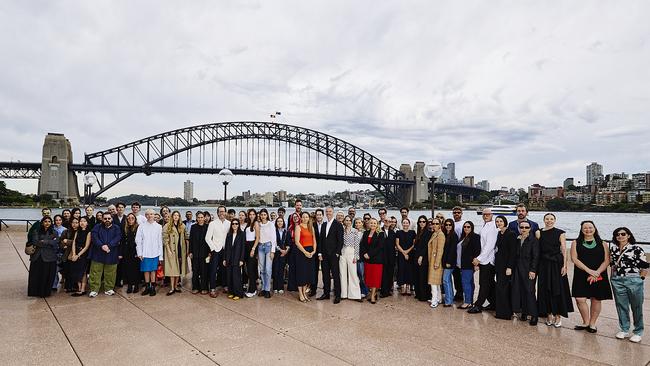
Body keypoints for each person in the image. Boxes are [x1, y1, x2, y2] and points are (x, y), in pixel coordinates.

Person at [571, 221, 612, 333]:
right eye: (585, 228)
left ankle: (592, 324)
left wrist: (596, 273)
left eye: (590, 227)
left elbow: (607, 260)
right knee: (580, 299)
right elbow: (574, 259)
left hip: (599, 274)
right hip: (581, 273)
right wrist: (589, 271)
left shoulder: (602, 243)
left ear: (594, 228)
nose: (588, 230)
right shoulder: (576, 242)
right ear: (581, 229)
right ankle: (585, 322)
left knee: (596, 299)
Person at [609, 227, 648, 343]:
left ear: (628, 235)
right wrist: (613, 278)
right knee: (621, 306)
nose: (620, 236)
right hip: (617, 280)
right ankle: (624, 329)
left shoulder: (636, 248)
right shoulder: (614, 249)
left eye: (623, 234)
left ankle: (638, 331)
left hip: (633, 280)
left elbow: (645, 266)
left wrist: (640, 279)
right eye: (617, 234)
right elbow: (612, 265)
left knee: (637, 306)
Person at [536, 213, 573, 327]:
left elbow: (563, 249)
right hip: (543, 264)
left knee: (558, 289)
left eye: (551, 219)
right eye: (547, 219)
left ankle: (558, 316)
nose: (549, 221)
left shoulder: (560, 233)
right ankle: (549, 315)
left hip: (556, 264)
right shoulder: (538, 232)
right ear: (544, 220)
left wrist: (565, 265)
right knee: (544, 288)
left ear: (555, 220)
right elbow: (536, 248)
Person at [468, 208, 498, 314]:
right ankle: (494, 303)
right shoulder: (485, 225)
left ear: (492, 215)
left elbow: (489, 246)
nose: (485, 216)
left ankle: (478, 305)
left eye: (488, 214)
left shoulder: (493, 227)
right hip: (484, 260)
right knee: (489, 283)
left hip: (489, 261)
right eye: (484, 214)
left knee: (484, 283)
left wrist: (479, 259)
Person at [511, 220, 540, 325]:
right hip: (517, 269)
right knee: (519, 290)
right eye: (522, 227)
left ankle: (534, 315)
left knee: (529, 291)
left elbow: (536, 257)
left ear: (530, 228)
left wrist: (533, 270)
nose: (524, 229)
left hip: (528, 269)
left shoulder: (534, 240)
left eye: (526, 227)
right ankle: (524, 311)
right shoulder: (517, 239)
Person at [88, 212, 121, 298]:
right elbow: (94, 237)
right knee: (95, 272)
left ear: (112, 219)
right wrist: (102, 246)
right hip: (97, 253)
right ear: (102, 219)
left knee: (111, 273)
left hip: (111, 253)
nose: (107, 220)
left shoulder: (116, 228)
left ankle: (109, 288)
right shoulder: (97, 227)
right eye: (105, 218)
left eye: (109, 218)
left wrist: (108, 245)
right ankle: (94, 289)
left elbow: (118, 237)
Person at [27, 216, 59, 297]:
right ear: (42, 222)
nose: (47, 223)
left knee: (46, 275)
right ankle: (34, 292)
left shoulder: (54, 232)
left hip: (49, 257)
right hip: (37, 256)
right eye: (45, 221)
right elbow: (35, 242)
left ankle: (44, 292)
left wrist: (44, 241)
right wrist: (49, 242)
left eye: (49, 221)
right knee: (36, 275)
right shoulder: (36, 231)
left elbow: (56, 242)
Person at [318, 207, 344, 303]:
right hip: (324, 255)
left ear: (333, 213)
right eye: (327, 212)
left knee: (336, 275)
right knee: (325, 275)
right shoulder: (324, 225)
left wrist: (337, 253)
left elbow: (340, 240)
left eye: (330, 212)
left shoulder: (338, 225)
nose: (328, 213)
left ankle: (338, 295)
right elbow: (320, 240)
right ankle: (326, 293)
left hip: (334, 255)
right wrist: (319, 253)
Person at [494, 216, 517, 320]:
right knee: (499, 288)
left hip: (506, 266)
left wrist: (509, 267)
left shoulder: (511, 234)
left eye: (501, 221)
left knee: (505, 288)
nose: (499, 223)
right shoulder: (499, 233)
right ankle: (500, 311)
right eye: (497, 221)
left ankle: (507, 313)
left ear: (505, 222)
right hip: (499, 265)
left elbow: (513, 252)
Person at [136, 209, 163, 296]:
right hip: (145, 252)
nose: (150, 216)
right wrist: (139, 252)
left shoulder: (159, 227)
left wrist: (161, 256)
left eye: (151, 214)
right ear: (145, 215)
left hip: (155, 252)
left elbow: (160, 241)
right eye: (147, 214)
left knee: (153, 270)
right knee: (146, 270)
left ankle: (153, 287)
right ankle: (147, 287)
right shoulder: (141, 226)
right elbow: (138, 240)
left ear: (154, 215)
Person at [205, 206, 230, 298]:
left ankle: (225, 286)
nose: (222, 213)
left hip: (226, 250)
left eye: (223, 211)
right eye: (220, 211)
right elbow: (207, 238)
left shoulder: (229, 223)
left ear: (225, 212)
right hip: (215, 250)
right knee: (213, 270)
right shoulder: (213, 223)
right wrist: (213, 249)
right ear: (217, 213)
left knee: (225, 269)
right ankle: (212, 289)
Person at [162, 211, 187, 296]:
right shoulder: (167, 226)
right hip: (172, 250)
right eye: (174, 215)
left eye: (177, 215)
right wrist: (168, 250)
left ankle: (176, 286)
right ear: (172, 216)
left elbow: (186, 237)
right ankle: (172, 288)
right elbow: (165, 239)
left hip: (180, 250)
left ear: (179, 217)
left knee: (178, 269)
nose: (176, 217)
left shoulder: (182, 226)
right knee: (172, 270)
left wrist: (187, 250)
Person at [457, 221, 481, 309]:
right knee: (469, 282)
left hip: (469, 264)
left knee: (466, 282)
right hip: (462, 264)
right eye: (465, 227)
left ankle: (467, 302)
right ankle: (470, 301)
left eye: (468, 227)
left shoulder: (475, 237)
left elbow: (477, 251)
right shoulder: (463, 237)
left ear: (472, 228)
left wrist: (476, 264)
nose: (466, 228)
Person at [295, 212, 317, 302]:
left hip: (311, 252)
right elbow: (297, 242)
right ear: (301, 218)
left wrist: (314, 251)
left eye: (306, 217)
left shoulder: (311, 227)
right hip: (301, 252)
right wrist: (305, 252)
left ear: (309, 218)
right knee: (301, 273)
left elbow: (314, 240)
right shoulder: (298, 227)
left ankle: (304, 292)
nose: (305, 218)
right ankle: (300, 293)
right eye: (303, 217)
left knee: (308, 274)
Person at [361, 218, 384, 304]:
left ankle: (373, 295)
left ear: (377, 224)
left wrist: (369, 254)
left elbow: (379, 247)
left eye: (375, 223)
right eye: (371, 223)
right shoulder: (366, 233)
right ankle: (372, 294)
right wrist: (364, 253)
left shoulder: (380, 234)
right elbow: (362, 244)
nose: (373, 225)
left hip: (376, 260)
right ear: (369, 224)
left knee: (375, 278)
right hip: (367, 260)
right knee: (369, 278)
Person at [340, 216, 362, 301]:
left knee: (353, 274)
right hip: (343, 252)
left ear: (351, 222)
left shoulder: (355, 231)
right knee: (342, 273)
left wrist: (356, 256)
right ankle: (343, 294)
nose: (348, 222)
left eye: (349, 220)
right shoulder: (341, 231)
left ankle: (355, 295)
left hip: (351, 252)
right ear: (344, 222)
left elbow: (357, 244)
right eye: (346, 220)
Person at [257, 208, 277, 298]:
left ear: (267, 215)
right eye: (261, 215)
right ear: (260, 216)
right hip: (260, 247)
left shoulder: (271, 224)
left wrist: (273, 251)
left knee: (268, 269)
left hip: (268, 247)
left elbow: (274, 238)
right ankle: (263, 288)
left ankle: (268, 289)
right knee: (262, 270)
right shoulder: (258, 225)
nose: (263, 216)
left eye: (265, 214)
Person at [223, 219, 245, 300]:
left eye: (236, 223)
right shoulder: (229, 234)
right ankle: (231, 292)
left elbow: (243, 248)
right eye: (233, 224)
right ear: (231, 225)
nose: (234, 225)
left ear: (238, 225)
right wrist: (224, 259)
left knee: (236, 277)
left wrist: (241, 260)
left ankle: (238, 293)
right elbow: (226, 248)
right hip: (229, 258)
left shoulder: (242, 234)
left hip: (237, 258)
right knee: (229, 276)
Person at [189, 212, 210, 294]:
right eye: (199, 217)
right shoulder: (193, 227)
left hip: (205, 252)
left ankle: (204, 288)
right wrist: (190, 251)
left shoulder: (208, 227)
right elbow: (191, 240)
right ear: (196, 218)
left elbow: (210, 240)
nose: (200, 219)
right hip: (195, 253)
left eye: (202, 217)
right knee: (195, 271)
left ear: (204, 218)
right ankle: (195, 287)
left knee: (204, 271)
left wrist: (209, 252)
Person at [427, 218, 445, 308]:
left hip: (436, 260)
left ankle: (434, 300)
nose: (434, 225)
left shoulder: (441, 235)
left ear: (440, 224)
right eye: (433, 223)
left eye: (437, 223)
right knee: (436, 281)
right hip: (432, 259)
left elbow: (440, 250)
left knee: (433, 282)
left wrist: (437, 262)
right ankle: (438, 298)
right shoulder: (434, 233)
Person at [413, 215, 432, 302]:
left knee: (423, 277)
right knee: (417, 276)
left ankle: (424, 295)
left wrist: (421, 256)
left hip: (423, 257)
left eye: (423, 221)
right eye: (420, 222)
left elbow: (426, 246)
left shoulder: (428, 232)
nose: (422, 223)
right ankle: (419, 294)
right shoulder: (419, 232)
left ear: (426, 223)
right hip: (416, 256)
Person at [121, 213, 141, 294]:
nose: (130, 219)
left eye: (132, 218)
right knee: (127, 269)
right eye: (129, 218)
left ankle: (136, 285)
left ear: (135, 219)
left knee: (136, 269)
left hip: (135, 251)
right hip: (126, 251)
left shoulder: (138, 227)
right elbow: (122, 241)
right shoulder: (124, 228)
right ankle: (129, 285)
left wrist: (139, 252)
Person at [441, 219, 459, 307]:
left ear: (452, 226)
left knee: (445, 280)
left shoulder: (453, 236)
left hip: (450, 262)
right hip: (444, 261)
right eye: (446, 224)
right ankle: (450, 299)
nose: (448, 226)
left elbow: (452, 250)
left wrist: (448, 262)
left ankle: (448, 301)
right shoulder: (445, 234)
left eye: (450, 225)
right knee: (448, 280)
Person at [242, 209, 260, 297]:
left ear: (255, 215)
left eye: (253, 214)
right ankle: (251, 288)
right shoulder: (248, 223)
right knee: (247, 269)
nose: (252, 216)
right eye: (250, 214)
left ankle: (252, 290)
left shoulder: (256, 223)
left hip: (252, 246)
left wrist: (253, 249)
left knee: (251, 269)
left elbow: (257, 237)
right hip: (246, 246)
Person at [396, 218, 415, 296]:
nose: (405, 224)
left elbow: (414, 244)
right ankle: (403, 286)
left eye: (407, 223)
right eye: (404, 223)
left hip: (410, 254)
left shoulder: (413, 232)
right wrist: (404, 253)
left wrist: (407, 252)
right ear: (402, 224)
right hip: (401, 254)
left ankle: (408, 286)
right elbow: (397, 244)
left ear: (409, 224)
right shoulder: (398, 232)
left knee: (409, 270)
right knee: (401, 269)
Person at [59, 218, 78, 293]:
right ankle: (68, 286)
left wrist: (68, 242)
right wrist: (64, 243)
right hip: (66, 254)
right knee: (67, 271)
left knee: (75, 271)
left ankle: (75, 286)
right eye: (73, 222)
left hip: (76, 254)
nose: (74, 224)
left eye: (76, 222)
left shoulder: (81, 232)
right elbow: (61, 242)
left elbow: (78, 243)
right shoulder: (66, 231)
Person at [380, 217, 397, 298]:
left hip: (391, 257)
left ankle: (388, 290)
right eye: (386, 221)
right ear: (383, 221)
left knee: (390, 274)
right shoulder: (379, 231)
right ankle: (383, 291)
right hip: (382, 256)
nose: (387, 222)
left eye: (389, 221)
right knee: (383, 274)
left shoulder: (393, 232)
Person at [272, 217, 290, 294]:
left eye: (281, 221)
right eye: (278, 221)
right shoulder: (273, 231)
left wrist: (286, 251)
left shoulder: (286, 232)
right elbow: (274, 242)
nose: (280, 223)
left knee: (281, 270)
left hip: (284, 254)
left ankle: (281, 287)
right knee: (275, 270)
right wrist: (280, 250)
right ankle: (275, 287)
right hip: (276, 253)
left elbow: (289, 243)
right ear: (276, 223)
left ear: (283, 222)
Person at [451, 207, 464, 302]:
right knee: (455, 275)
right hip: (453, 253)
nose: (456, 214)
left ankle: (462, 293)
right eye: (454, 212)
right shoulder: (451, 224)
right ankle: (458, 292)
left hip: (461, 253)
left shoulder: (464, 224)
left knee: (462, 275)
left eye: (458, 212)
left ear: (461, 213)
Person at [312, 208, 325, 297]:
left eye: (320, 215)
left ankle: (326, 290)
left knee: (325, 271)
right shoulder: (312, 225)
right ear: (315, 216)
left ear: (323, 216)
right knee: (314, 271)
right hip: (314, 250)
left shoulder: (326, 225)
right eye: (317, 215)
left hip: (324, 251)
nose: (319, 216)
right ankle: (313, 289)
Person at [353, 217, 368, 298]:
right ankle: (356, 290)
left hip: (361, 257)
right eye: (356, 223)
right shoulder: (352, 232)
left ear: (362, 224)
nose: (357, 224)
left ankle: (364, 291)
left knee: (361, 275)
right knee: (354, 275)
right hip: (353, 256)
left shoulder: (365, 233)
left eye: (359, 222)